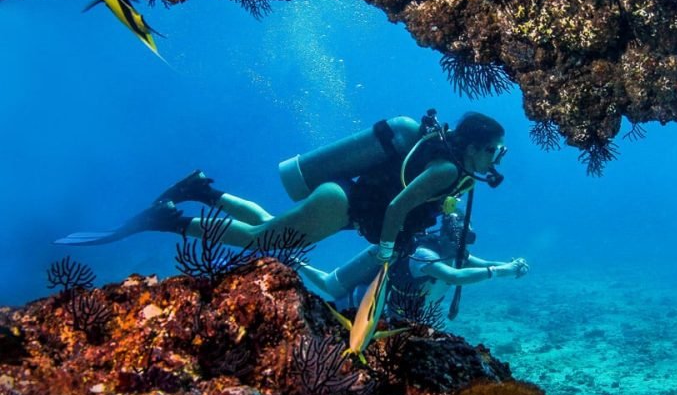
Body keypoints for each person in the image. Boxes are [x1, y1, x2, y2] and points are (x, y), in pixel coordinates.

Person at [55, 111, 508, 267]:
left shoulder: (447, 161)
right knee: (260, 241)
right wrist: (387, 252)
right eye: (493, 150)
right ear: (473, 145)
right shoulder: (446, 168)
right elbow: (396, 205)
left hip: (339, 198)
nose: (495, 159)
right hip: (341, 206)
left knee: (270, 227)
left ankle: (203, 192)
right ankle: (169, 221)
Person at [297, 211, 530, 312]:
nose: (463, 246)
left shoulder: (456, 253)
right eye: (459, 239)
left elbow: (482, 263)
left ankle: (296, 263)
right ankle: (297, 263)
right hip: (362, 305)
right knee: (328, 287)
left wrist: (510, 266)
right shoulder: (424, 255)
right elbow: (454, 276)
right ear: (444, 236)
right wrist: (502, 271)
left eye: (467, 239)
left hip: (401, 314)